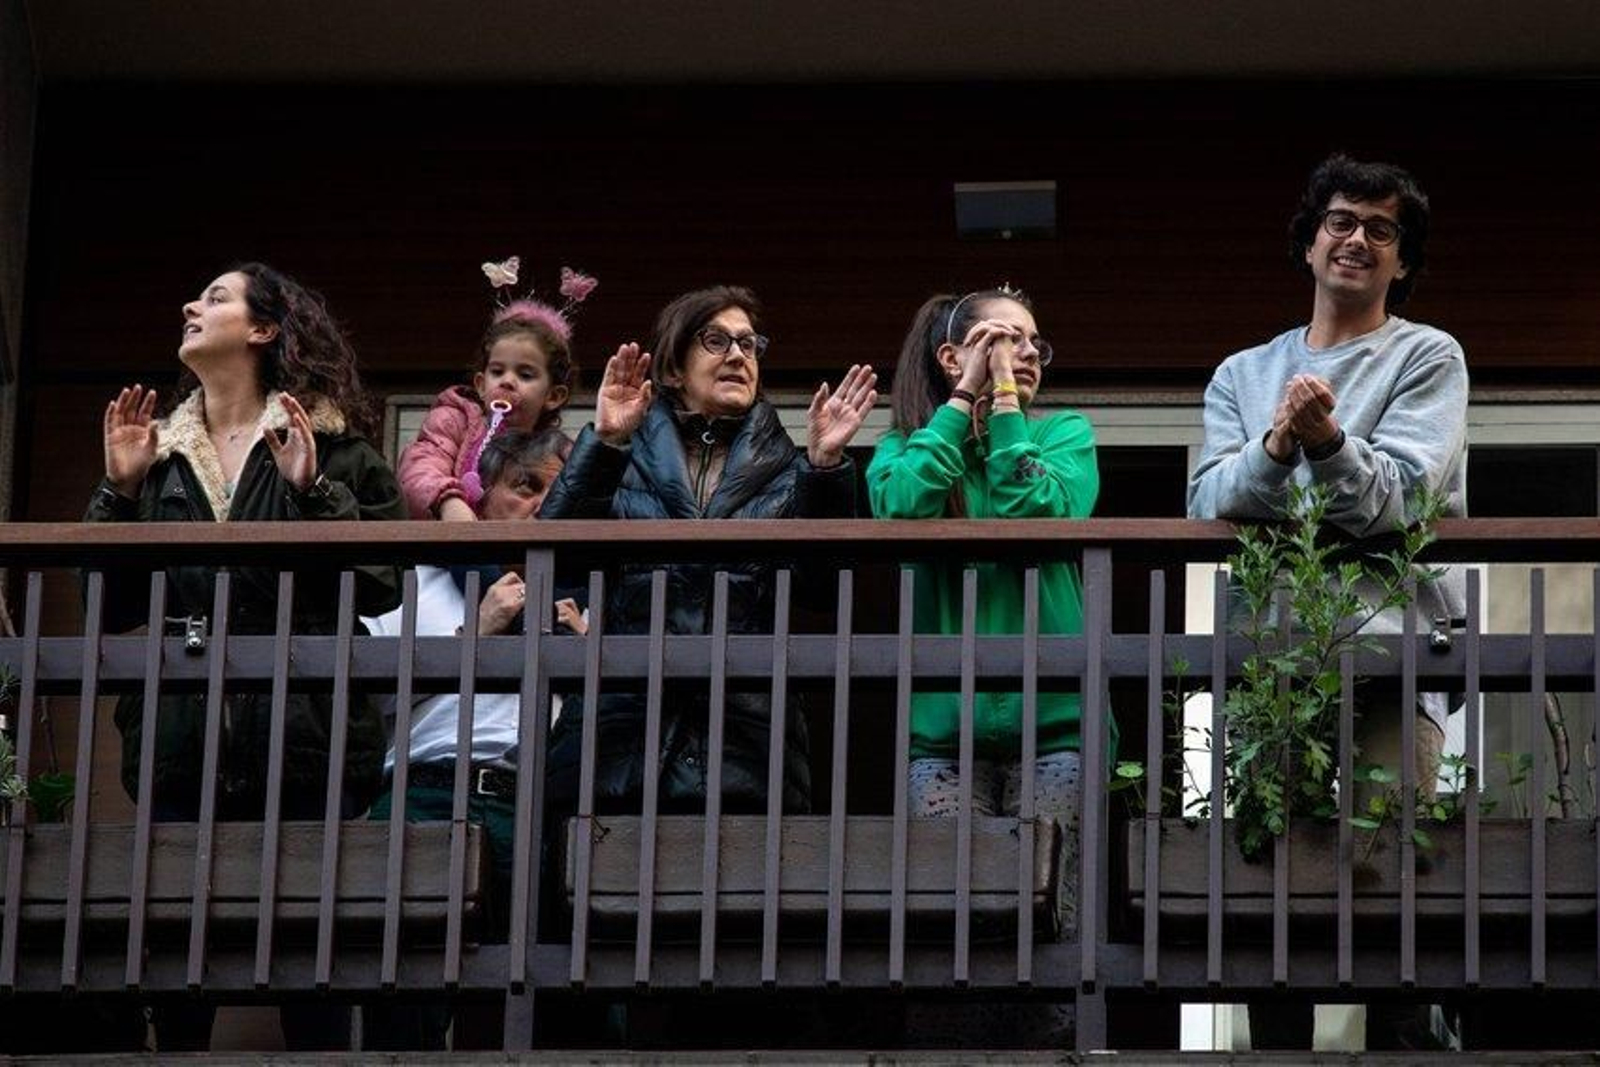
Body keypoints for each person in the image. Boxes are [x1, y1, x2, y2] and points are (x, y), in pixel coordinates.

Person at [1187, 154, 1468, 1051]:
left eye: (1381, 231)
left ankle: (1405, 1044)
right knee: (1278, 888)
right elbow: (1208, 501)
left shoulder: (1428, 355)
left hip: (1395, 653)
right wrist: (1278, 446)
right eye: (1341, 222)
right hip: (1274, 669)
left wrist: (1327, 443)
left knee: (1395, 871)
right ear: (1309, 243)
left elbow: (1406, 495)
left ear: (1402, 262)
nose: (1357, 240)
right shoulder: (1243, 372)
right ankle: (1275, 1051)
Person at [87, 262, 405, 1050]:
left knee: (311, 965)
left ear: (265, 330)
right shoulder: (156, 454)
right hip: (179, 738)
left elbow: (380, 583)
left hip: (310, 739)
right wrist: (118, 495)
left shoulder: (338, 449)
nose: (193, 304)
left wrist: (310, 492)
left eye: (217, 297)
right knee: (175, 963)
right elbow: (111, 604)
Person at [540, 284, 877, 817]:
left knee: (742, 898)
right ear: (674, 370)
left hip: (745, 743)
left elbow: (825, 592)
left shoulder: (793, 470)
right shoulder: (618, 457)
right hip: (620, 737)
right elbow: (556, 563)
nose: (738, 355)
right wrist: (604, 442)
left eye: (748, 344)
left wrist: (827, 468)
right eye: (716, 341)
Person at [867, 286, 1098, 1048]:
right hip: (943, 728)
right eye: (1005, 337)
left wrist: (1002, 405)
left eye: (1034, 341)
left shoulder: (1063, 432)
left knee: (1052, 915)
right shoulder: (909, 445)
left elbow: (1039, 509)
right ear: (951, 355)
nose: (1025, 352)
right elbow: (900, 504)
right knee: (949, 912)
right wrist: (966, 395)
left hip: (1057, 721)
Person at [362, 429, 576, 1051]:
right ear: (483, 497)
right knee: (405, 1001)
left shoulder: (578, 595)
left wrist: (588, 653)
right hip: (424, 794)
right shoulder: (419, 578)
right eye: (524, 487)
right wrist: (474, 635)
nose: (538, 507)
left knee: (532, 1006)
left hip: (535, 808)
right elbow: (365, 708)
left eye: (554, 494)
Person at [398, 289, 582, 521]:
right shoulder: (453, 421)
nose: (507, 381)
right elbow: (420, 467)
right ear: (481, 384)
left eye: (525, 375)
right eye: (497, 371)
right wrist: (447, 501)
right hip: (450, 546)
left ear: (553, 396)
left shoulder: (559, 450)